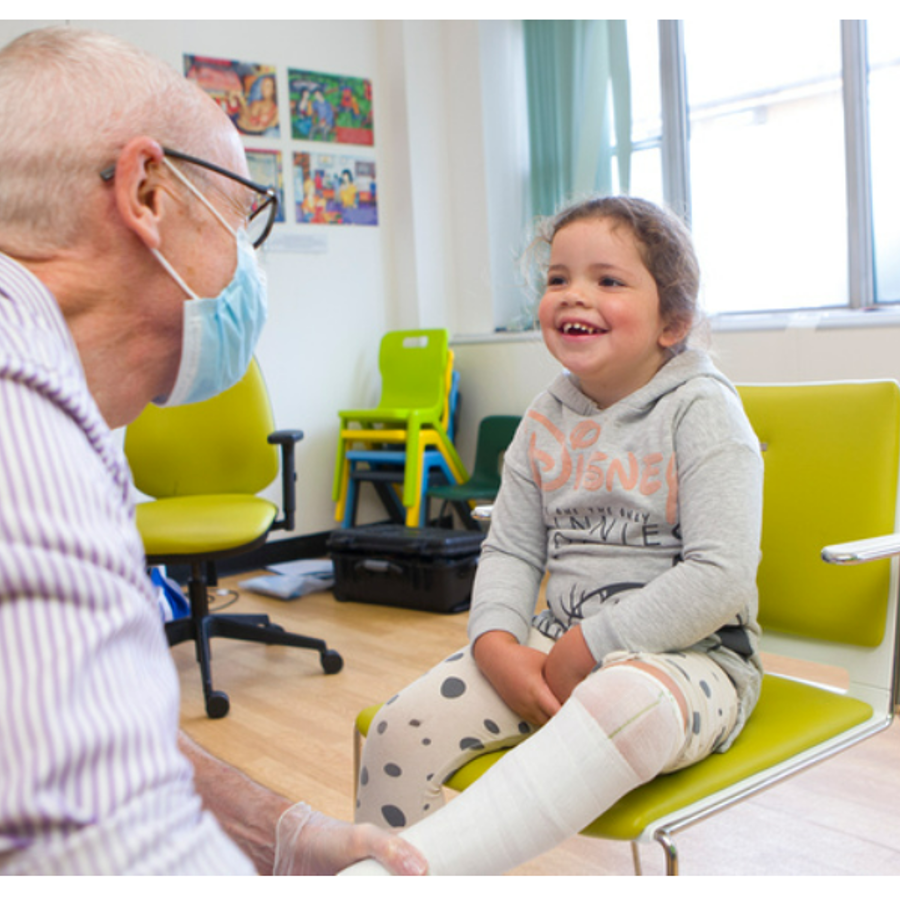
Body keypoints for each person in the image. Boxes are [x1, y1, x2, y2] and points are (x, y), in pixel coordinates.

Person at [0, 26, 426, 877]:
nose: (247, 268)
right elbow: (100, 847)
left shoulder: (46, 388)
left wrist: (282, 835)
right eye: (241, 221)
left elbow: (84, 738)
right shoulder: (19, 420)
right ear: (148, 193)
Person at [343, 196, 764, 876]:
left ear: (674, 321)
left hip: (695, 661)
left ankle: (380, 882)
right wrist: (496, 643)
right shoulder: (543, 419)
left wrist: (589, 647)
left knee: (625, 707)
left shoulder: (703, 411)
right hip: (552, 648)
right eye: (557, 278)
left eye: (609, 280)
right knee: (398, 728)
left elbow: (721, 577)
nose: (575, 295)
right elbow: (510, 547)